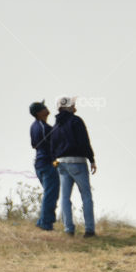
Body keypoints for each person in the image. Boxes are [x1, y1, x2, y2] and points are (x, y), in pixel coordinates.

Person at [50, 96, 97, 238]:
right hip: (78, 163)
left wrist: (55, 163)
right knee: (86, 195)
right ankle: (89, 230)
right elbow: (84, 141)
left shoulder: (56, 125)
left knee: (65, 198)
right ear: (70, 107)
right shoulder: (76, 121)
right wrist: (92, 159)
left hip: (61, 164)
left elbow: (51, 147)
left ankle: (68, 229)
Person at [29, 100, 58, 231]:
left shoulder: (34, 126)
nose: (47, 108)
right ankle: (46, 223)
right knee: (51, 194)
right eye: (44, 107)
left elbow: (33, 145)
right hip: (47, 164)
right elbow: (53, 144)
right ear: (39, 112)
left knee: (49, 193)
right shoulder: (44, 127)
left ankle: (43, 221)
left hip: (40, 164)